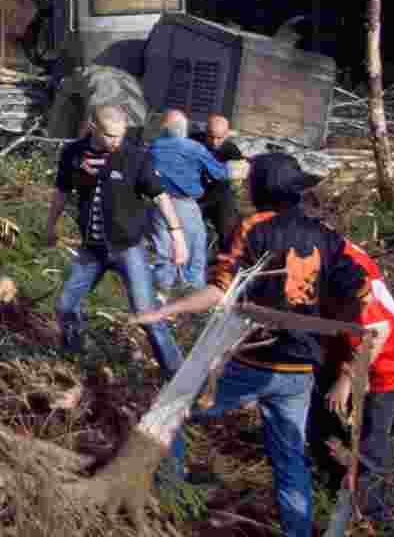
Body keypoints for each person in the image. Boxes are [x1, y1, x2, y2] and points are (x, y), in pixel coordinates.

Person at [134, 152, 378, 537]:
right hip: (300, 371)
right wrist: (342, 353)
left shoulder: (255, 229)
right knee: (290, 460)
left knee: (170, 409)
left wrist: (165, 311)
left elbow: (220, 290)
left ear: (262, 188)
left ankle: (169, 501)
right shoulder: (327, 236)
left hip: (253, 363)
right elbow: (361, 292)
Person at [45, 104, 187, 380]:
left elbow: (159, 196)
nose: (116, 141)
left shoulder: (135, 156)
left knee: (147, 314)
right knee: (66, 306)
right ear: (93, 127)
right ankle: (73, 362)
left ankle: (176, 373)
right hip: (92, 248)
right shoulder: (73, 153)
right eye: (110, 136)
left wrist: (177, 235)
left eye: (120, 135)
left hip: (128, 248)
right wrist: (51, 224)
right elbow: (62, 191)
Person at [307, 244, 394, 526]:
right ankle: (334, 489)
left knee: (371, 444)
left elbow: (377, 334)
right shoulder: (319, 266)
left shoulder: (355, 291)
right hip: (339, 357)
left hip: (386, 371)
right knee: (323, 425)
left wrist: (347, 380)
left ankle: (373, 518)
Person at [147, 109, 228, 292]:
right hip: (184, 204)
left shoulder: (154, 147)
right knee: (195, 249)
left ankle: (161, 291)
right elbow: (220, 174)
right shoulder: (194, 148)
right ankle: (192, 291)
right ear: (184, 129)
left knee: (165, 248)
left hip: (158, 204)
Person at [193, 114, 245, 253]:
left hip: (219, 197)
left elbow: (237, 181)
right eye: (211, 137)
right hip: (193, 196)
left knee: (228, 230)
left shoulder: (232, 152)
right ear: (206, 132)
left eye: (219, 138)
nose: (215, 142)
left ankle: (224, 262)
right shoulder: (192, 142)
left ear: (227, 135)